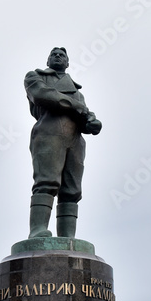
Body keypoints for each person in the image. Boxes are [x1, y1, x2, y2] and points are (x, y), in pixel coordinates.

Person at [24, 47, 102, 238]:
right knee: (46, 181)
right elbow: (44, 95)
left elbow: (83, 117)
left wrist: (91, 122)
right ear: (48, 60)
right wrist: (77, 106)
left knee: (71, 190)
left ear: (67, 62)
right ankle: (37, 230)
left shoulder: (78, 92)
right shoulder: (35, 77)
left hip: (74, 140)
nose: (58, 56)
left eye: (62, 55)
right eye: (54, 54)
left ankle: (68, 238)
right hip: (49, 134)